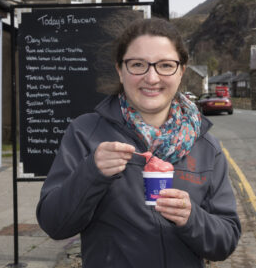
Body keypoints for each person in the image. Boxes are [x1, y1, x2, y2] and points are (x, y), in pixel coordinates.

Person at [36, 17, 241, 267]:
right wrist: (92, 172)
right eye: (137, 65)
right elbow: (54, 224)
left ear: (181, 71)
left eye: (165, 65)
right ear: (120, 70)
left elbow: (225, 241)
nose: (152, 78)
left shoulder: (207, 147)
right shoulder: (85, 133)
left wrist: (192, 217)